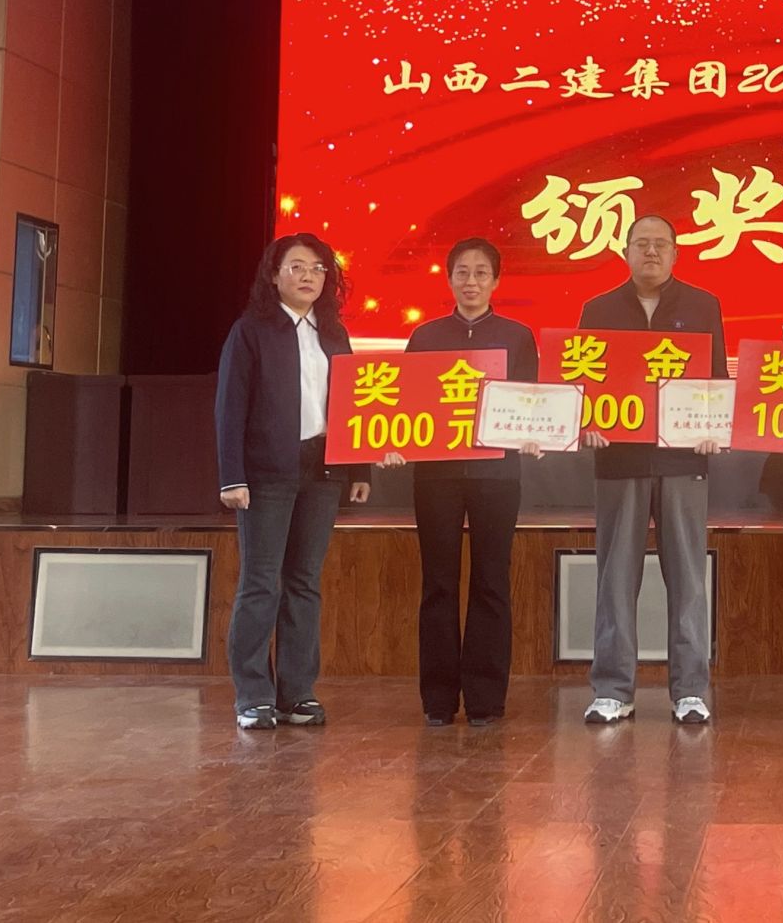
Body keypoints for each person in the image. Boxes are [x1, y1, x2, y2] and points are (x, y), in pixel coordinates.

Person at [379, 237, 539, 728]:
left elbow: (533, 401)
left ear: (496, 280)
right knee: (439, 583)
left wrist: (536, 434)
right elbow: (403, 404)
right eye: (462, 272)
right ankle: (439, 699)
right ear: (449, 279)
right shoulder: (425, 337)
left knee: (492, 581)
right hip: (437, 476)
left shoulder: (517, 336)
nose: (471, 281)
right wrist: (393, 442)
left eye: (481, 273)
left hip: (498, 475)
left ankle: (487, 699)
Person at [215, 232, 371, 731]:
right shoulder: (251, 331)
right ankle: (253, 695)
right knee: (261, 582)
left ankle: (297, 693)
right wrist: (231, 476)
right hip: (266, 473)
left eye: (318, 269)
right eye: (297, 267)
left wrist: (359, 468)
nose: (308, 277)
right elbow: (229, 408)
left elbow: (356, 403)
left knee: (304, 583)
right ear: (274, 275)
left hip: (322, 470)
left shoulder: (334, 333)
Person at [577, 215, 728, 726]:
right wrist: (585, 423)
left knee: (688, 579)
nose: (651, 252)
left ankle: (690, 690)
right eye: (642, 243)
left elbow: (715, 379)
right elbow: (582, 383)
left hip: (683, 459)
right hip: (618, 460)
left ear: (676, 253)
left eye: (661, 244)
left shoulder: (703, 305)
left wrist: (713, 427)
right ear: (625, 251)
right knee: (615, 578)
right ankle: (613, 689)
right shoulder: (598, 309)